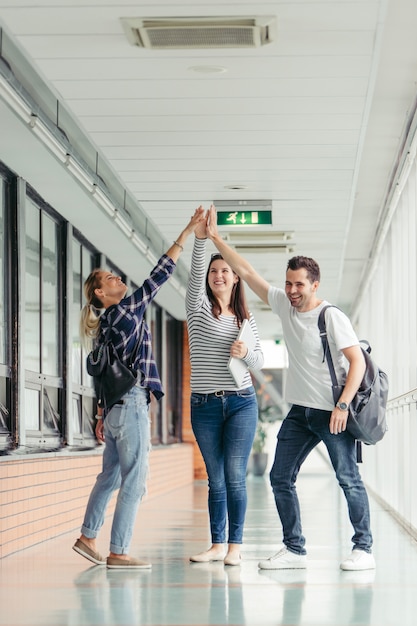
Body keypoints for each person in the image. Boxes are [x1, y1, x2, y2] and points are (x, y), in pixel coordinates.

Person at [206, 204, 375, 572]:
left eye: (300, 284)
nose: (292, 290)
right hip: (300, 413)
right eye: (288, 283)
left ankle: (364, 548)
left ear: (315, 284)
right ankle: (294, 549)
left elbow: (357, 362)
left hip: (333, 412)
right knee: (280, 478)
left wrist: (343, 406)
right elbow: (247, 272)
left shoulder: (331, 316)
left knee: (348, 478)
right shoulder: (283, 305)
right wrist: (217, 237)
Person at [72, 208, 205, 569]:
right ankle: (118, 551)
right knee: (135, 478)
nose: (116, 277)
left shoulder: (102, 327)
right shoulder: (126, 310)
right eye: (108, 277)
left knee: (110, 475)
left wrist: (101, 415)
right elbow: (159, 275)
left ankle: (87, 536)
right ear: (102, 293)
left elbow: (102, 375)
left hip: (114, 410)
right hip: (130, 406)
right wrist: (188, 231)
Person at [186, 208, 264, 566]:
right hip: (203, 406)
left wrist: (246, 352)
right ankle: (217, 544)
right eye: (214, 272)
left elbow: (259, 361)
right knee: (214, 478)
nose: (218, 275)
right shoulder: (198, 310)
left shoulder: (246, 320)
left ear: (236, 280)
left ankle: (235, 546)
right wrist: (202, 237)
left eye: (225, 271)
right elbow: (196, 270)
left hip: (241, 403)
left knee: (234, 474)